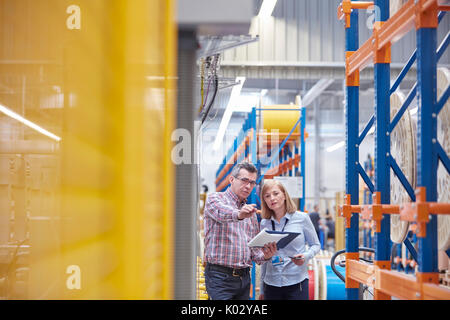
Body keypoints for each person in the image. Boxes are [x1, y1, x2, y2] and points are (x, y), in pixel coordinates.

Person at [203, 162, 277, 300]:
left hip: (244, 279)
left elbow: (254, 251)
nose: (248, 186)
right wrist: (240, 214)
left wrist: (266, 255)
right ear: (232, 179)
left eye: (252, 183)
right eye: (244, 180)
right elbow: (222, 213)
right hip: (219, 277)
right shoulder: (215, 199)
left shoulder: (251, 213)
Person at [259, 180, 320, 300]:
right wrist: (262, 288)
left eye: (276, 193)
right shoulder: (264, 223)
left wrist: (306, 256)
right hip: (271, 284)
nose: (272, 198)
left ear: (284, 195)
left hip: (297, 282)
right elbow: (265, 260)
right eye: (267, 196)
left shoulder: (301, 218)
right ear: (264, 201)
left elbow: (316, 245)